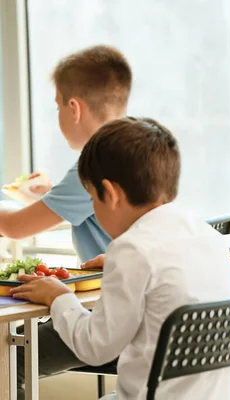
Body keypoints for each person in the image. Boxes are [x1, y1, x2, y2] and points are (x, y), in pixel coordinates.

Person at [11, 117, 230, 400]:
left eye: (94, 198)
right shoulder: (207, 237)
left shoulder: (132, 250)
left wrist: (58, 296)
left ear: (110, 193)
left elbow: (95, 348)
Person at [0, 44, 132, 399]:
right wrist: (40, 199)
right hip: (127, 308)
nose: (57, 115)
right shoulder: (132, 148)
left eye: (57, 106)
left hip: (113, 318)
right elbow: (80, 211)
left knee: (7, 355)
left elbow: (13, 227)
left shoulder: (95, 162)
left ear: (73, 108)